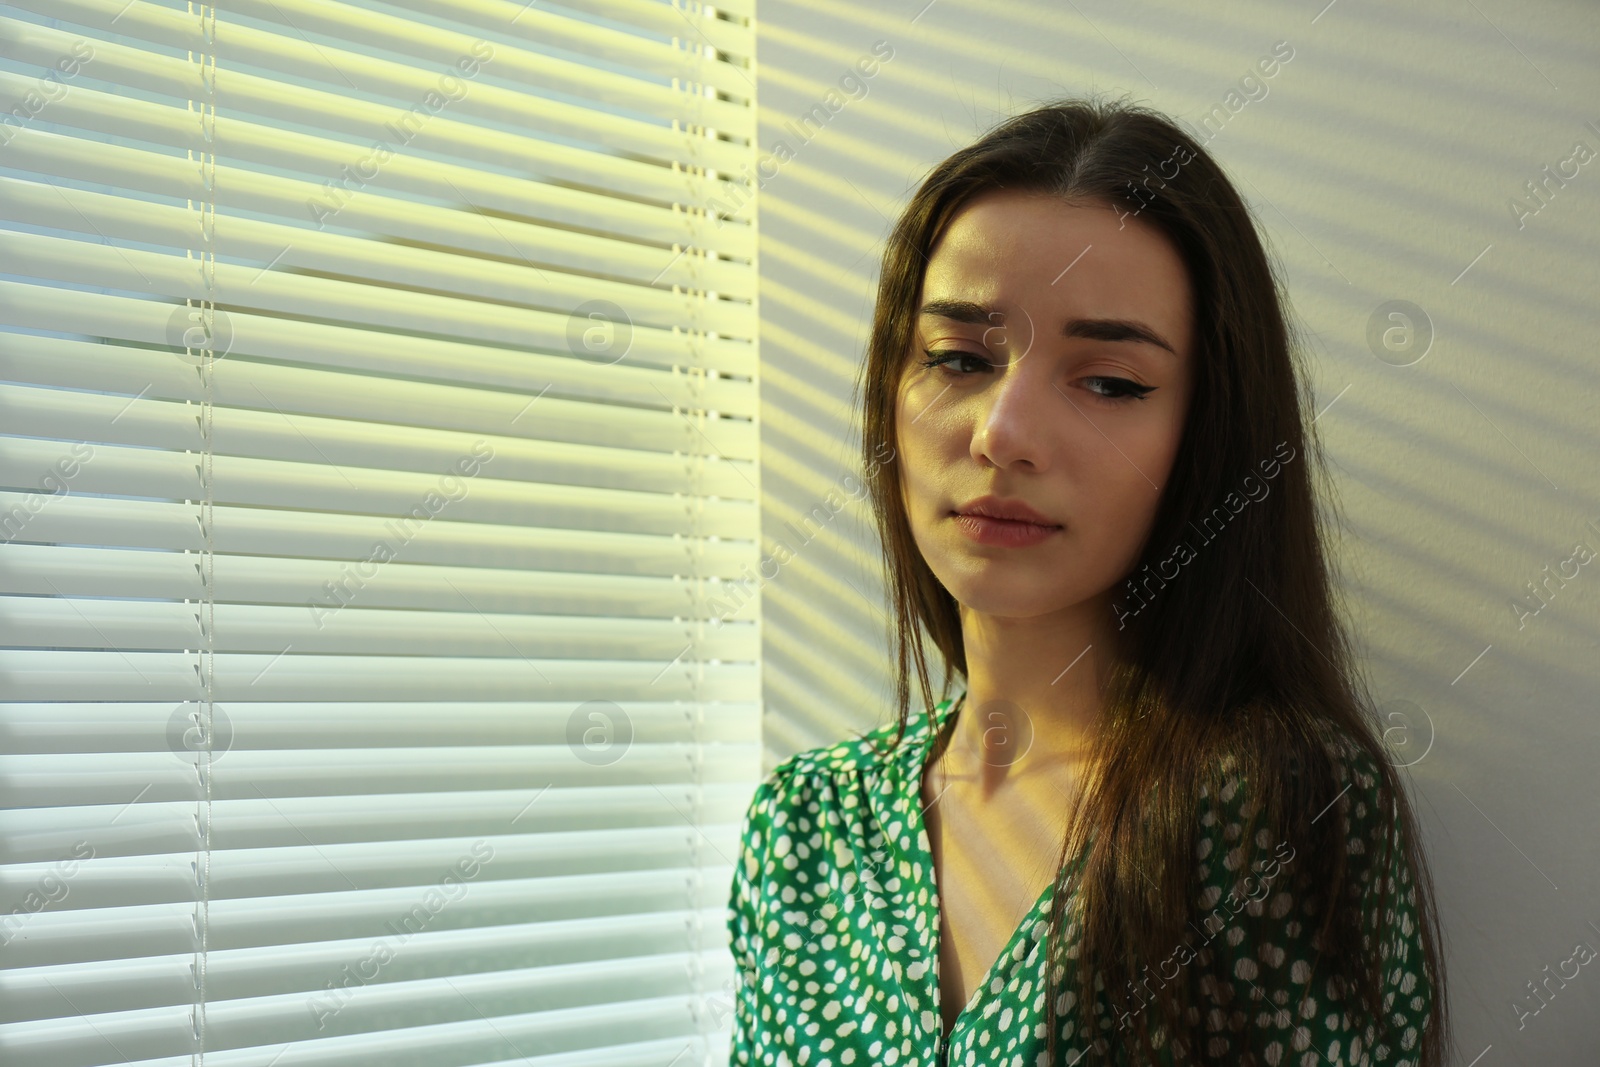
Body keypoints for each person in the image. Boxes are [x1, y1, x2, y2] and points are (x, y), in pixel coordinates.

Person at [726, 95, 1448, 1066]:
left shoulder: (1270, 817)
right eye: (959, 357)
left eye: (1109, 380)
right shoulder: (806, 827)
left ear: (1207, 435)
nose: (1003, 431)